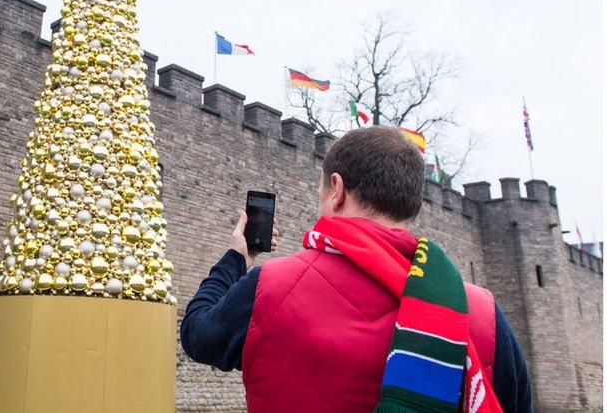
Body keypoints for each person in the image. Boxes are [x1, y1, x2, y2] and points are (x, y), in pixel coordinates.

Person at [180, 127, 531, 412]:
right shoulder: (480, 311)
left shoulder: (270, 288)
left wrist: (236, 258)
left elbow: (197, 334)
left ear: (337, 189)